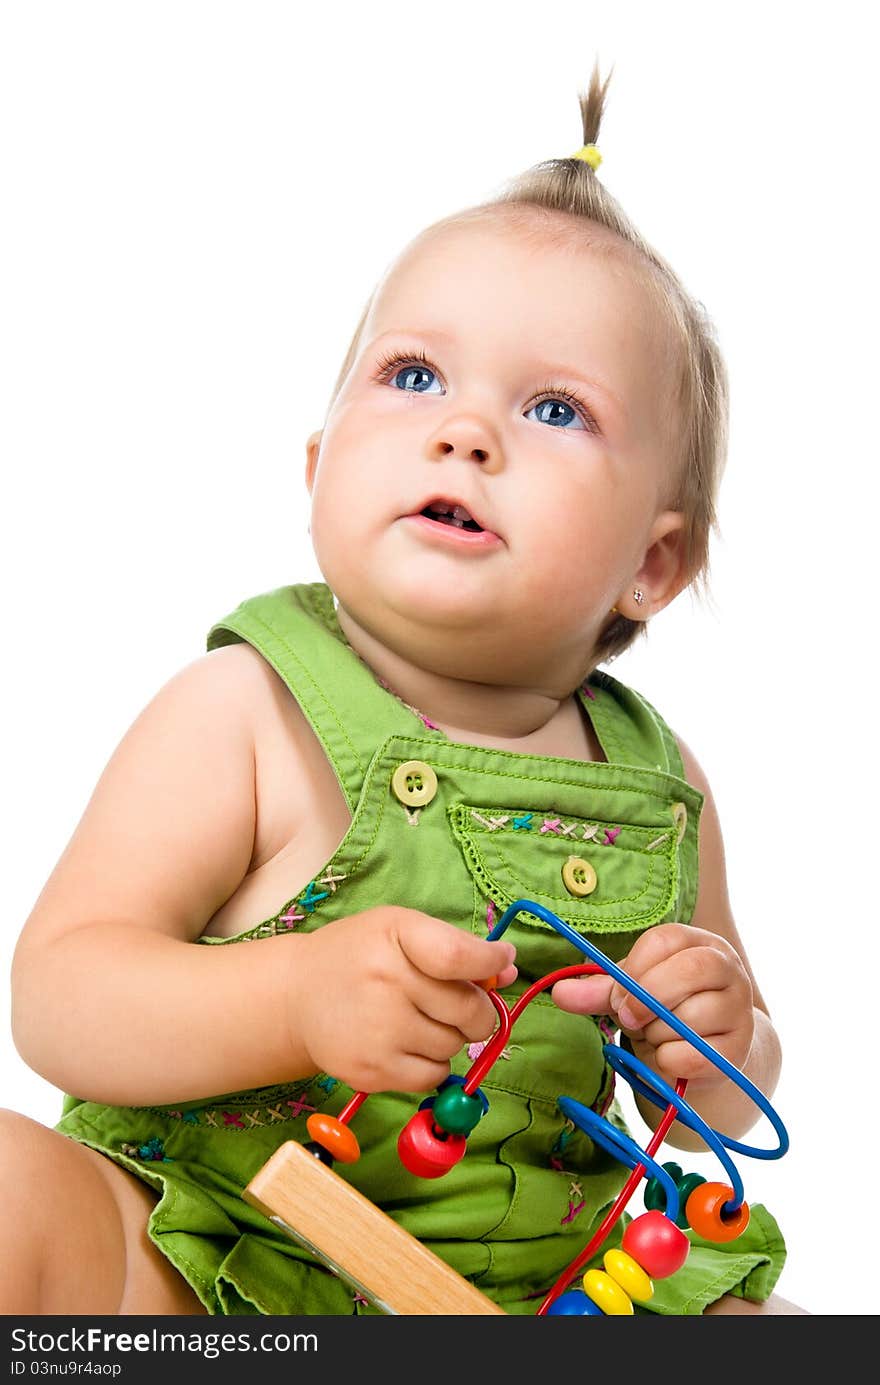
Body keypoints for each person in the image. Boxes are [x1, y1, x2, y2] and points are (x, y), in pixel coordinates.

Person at [1, 67, 805, 1317]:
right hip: (218, 1250)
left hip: (554, 1287)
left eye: (553, 408)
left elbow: (722, 1106)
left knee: (767, 1326)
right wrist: (294, 997)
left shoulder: (658, 782)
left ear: (652, 562)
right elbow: (60, 996)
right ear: (319, 465)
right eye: (416, 377)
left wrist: (717, 1045)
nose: (465, 433)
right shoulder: (244, 711)